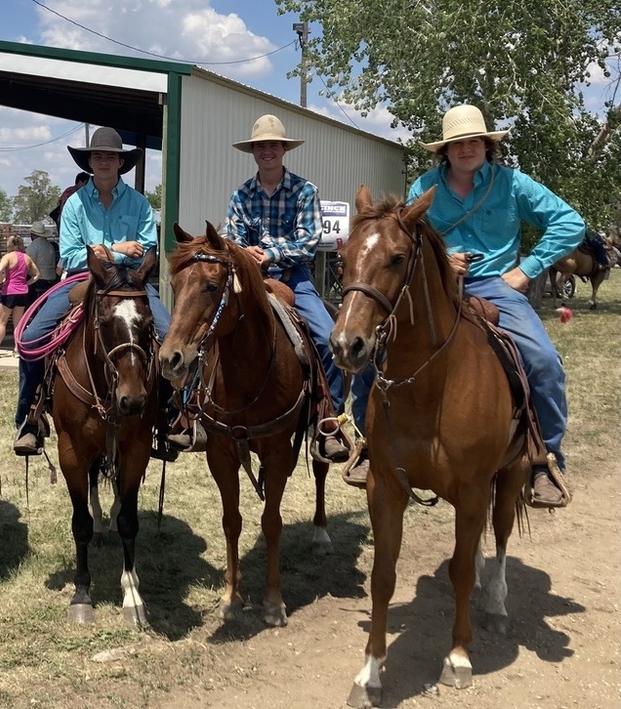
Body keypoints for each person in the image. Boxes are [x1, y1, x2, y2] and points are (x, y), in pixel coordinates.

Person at [408, 103, 584, 508]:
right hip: (436, 286)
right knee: (377, 350)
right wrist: (440, 258)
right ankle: (366, 442)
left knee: (543, 361)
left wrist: (527, 270)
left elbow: (570, 223)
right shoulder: (423, 188)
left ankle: (545, 458)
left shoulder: (512, 184)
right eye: (457, 143)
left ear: (487, 146)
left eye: (474, 141)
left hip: (495, 285)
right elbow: (406, 234)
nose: (466, 148)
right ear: (445, 151)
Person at [13, 127, 169, 455]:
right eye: (97, 155)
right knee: (29, 339)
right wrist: (117, 249)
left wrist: (106, 251)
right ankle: (31, 416)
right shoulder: (74, 205)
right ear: (90, 161)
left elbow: (148, 248)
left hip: (131, 282)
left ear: (120, 162)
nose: (104, 161)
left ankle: (167, 417)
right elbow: (71, 254)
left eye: (110, 156)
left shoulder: (140, 204)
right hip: (82, 278)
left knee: (168, 337)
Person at [223, 114, 367, 466]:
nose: (267, 151)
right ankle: (197, 411)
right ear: (253, 152)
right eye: (260, 146)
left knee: (327, 337)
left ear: (284, 150)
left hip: (294, 277)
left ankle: (327, 422)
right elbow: (230, 238)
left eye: (273, 145)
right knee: (212, 327)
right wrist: (244, 253)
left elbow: (307, 242)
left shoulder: (305, 191)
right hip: (249, 278)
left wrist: (268, 253)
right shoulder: (241, 195)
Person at [0, 233, 40, 357]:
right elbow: (37, 275)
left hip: (9, 291)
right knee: (18, 323)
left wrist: (1, 281)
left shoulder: (8, 257)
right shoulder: (26, 257)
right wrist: (26, 283)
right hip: (22, 291)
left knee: (1, 322)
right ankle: (17, 349)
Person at [25, 220, 60, 302]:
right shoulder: (50, 245)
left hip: (39, 280)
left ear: (32, 234)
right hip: (52, 278)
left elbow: (27, 264)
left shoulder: (32, 247)